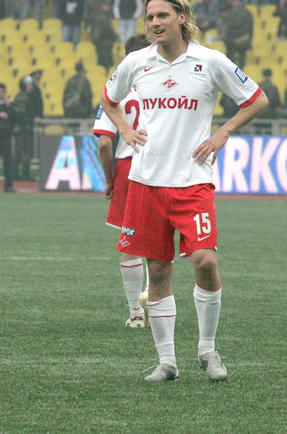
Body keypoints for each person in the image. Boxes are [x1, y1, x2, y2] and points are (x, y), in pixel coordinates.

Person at [101, 0, 267, 383]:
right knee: (158, 271)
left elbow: (257, 99)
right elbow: (108, 100)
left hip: (193, 181)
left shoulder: (209, 61)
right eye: (150, 17)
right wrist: (125, 131)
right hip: (146, 182)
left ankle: (207, 350)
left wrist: (223, 132)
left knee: (206, 262)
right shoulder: (136, 62)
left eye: (162, 16)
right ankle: (167, 362)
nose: (155, 23)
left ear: (182, 18)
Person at [92, 33, 152, 329]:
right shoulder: (166, 85)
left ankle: (136, 314)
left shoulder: (114, 91)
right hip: (161, 166)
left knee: (129, 242)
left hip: (129, 168)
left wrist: (109, 179)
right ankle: (158, 305)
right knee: (158, 240)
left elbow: (104, 143)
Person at [219, 0, 252, 67]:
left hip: (233, 40)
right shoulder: (248, 12)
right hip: (242, 40)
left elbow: (230, 27)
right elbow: (249, 29)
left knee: (230, 61)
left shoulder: (232, 12)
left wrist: (228, 37)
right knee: (241, 61)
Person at [90, 3, 118, 71]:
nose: (108, 8)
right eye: (107, 6)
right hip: (104, 44)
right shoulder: (102, 18)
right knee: (106, 63)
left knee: (103, 63)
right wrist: (113, 36)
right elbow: (105, 31)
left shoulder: (103, 17)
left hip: (104, 44)